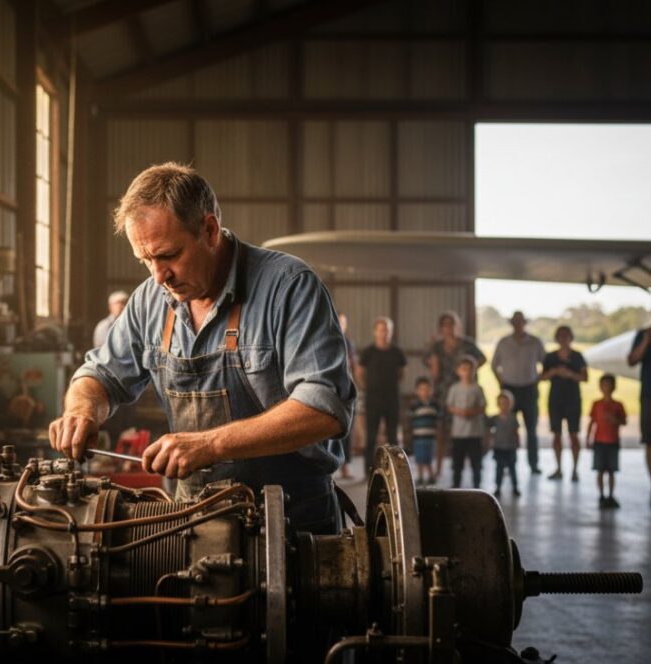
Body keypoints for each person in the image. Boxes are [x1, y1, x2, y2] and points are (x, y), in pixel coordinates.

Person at [49, 162, 356, 535]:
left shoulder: (288, 287)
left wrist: (211, 444)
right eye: (145, 260)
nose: (158, 276)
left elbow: (323, 409)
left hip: (294, 523)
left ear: (209, 230)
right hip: (191, 524)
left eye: (168, 255)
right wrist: (82, 410)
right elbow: (100, 374)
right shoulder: (150, 300)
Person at [425, 311, 486, 478]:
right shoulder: (436, 346)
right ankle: (438, 467)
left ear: (456, 326)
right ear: (441, 328)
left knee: (464, 431)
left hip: (464, 391)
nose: (448, 328)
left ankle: (465, 468)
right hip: (443, 392)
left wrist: (468, 372)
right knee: (441, 431)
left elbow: (482, 358)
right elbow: (431, 367)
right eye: (444, 325)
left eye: (451, 324)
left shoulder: (467, 344)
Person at [490, 311, 545, 475]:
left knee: (531, 431)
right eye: (515, 322)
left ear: (524, 323)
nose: (518, 324)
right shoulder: (503, 342)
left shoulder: (535, 342)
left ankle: (533, 464)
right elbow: (494, 365)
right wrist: (501, 383)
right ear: (512, 324)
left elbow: (545, 363)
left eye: (520, 321)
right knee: (506, 428)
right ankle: (507, 464)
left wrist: (537, 379)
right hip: (509, 390)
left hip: (529, 389)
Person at [357, 317, 407, 476]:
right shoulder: (368, 352)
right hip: (373, 399)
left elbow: (401, 374)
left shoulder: (397, 352)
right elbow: (359, 373)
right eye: (380, 330)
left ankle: (394, 471)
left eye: (386, 330)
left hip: (392, 399)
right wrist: (367, 387)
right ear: (375, 332)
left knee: (393, 436)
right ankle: (368, 471)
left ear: (391, 332)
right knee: (371, 436)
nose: (383, 333)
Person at [541, 325, 588, 481]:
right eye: (560, 335)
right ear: (557, 338)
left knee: (574, 434)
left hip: (573, 399)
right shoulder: (550, 357)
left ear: (570, 337)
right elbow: (542, 377)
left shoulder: (577, 356)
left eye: (566, 335)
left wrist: (569, 374)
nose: (563, 338)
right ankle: (559, 468)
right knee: (557, 434)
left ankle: (575, 469)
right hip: (555, 399)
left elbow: (584, 377)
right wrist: (554, 372)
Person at [587, 374, 627, 509]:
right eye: (604, 385)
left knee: (611, 471)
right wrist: (588, 439)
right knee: (600, 470)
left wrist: (614, 420)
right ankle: (601, 495)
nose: (607, 388)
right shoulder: (596, 404)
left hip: (612, 441)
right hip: (599, 441)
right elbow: (591, 422)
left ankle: (610, 495)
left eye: (609, 385)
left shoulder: (618, 405)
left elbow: (623, 421)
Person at [447, 356, 486, 489]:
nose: (467, 372)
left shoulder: (477, 389)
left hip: (474, 433)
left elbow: (483, 406)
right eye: (464, 369)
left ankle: (477, 485)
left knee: (476, 462)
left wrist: (471, 412)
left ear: (474, 371)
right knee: (457, 462)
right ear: (458, 371)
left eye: (470, 369)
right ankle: (456, 484)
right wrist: (460, 412)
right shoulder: (454, 388)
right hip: (458, 433)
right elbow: (450, 405)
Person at [627, 326, 651, 499]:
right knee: (649, 441)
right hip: (649, 395)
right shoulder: (643, 334)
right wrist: (646, 341)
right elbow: (632, 360)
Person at [337, 313, 359, 479]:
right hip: (331, 389)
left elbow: (353, 364)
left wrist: (357, 386)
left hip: (346, 388)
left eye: (343, 322)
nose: (341, 325)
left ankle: (345, 467)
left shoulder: (349, 343)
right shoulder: (327, 337)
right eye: (338, 321)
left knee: (347, 430)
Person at [408, 377, 439, 485]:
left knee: (428, 458)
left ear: (431, 390)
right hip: (418, 437)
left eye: (427, 389)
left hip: (430, 438)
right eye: (421, 389)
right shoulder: (414, 405)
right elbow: (409, 418)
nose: (424, 392)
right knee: (419, 458)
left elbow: (439, 419)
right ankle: (420, 476)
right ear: (417, 391)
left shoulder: (434, 405)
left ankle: (431, 476)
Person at [490, 390, 520, 498]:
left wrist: (517, 443)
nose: (504, 406)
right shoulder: (495, 419)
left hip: (510, 447)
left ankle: (515, 487)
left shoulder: (513, 418)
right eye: (501, 403)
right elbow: (490, 432)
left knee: (512, 469)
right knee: (499, 469)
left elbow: (516, 432)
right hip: (499, 447)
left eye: (506, 403)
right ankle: (498, 487)